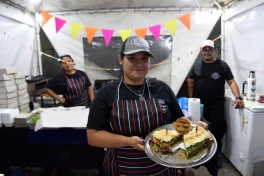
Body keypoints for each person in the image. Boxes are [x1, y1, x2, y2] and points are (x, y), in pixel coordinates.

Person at [87, 36, 207, 175]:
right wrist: (127, 141)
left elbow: (178, 121)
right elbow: (93, 136)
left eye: (144, 58)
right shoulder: (106, 93)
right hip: (122, 168)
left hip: (164, 166)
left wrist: (192, 126)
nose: (140, 63)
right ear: (120, 60)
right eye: (132, 58)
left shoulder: (162, 88)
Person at [188, 40, 244, 176]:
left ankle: (215, 156)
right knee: (197, 131)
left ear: (214, 51)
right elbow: (190, 81)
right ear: (202, 51)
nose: (207, 52)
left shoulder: (222, 66)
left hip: (217, 104)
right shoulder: (196, 66)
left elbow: (231, 81)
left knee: (217, 130)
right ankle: (199, 157)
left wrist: (238, 97)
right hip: (199, 105)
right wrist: (191, 100)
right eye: (204, 49)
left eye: (209, 49)